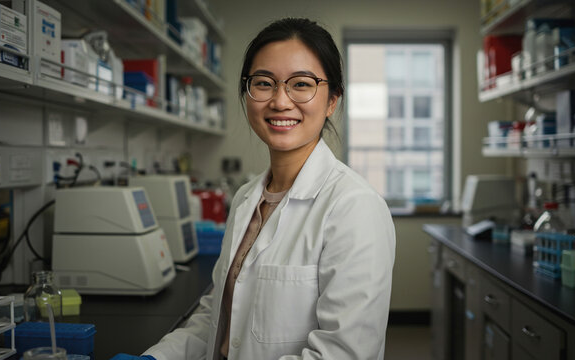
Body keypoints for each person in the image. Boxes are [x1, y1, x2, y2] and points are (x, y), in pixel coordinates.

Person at [111, 17, 396, 360]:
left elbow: (344, 354)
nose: (280, 101)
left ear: (332, 100)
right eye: (263, 83)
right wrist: (158, 358)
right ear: (247, 94)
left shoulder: (355, 207)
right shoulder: (247, 199)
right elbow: (216, 318)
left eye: (301, 84)